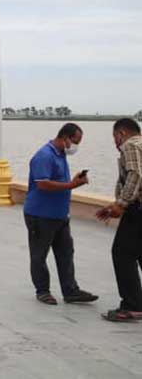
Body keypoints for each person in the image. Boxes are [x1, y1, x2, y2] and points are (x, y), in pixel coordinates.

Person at [22, 123, 97, 305]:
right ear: (65, 137)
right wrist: (72, 185)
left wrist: (73, 181)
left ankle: (71, 290)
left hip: (59, 215)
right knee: (39, 254)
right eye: (75, 142)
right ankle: (43, 291)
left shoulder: (60, 154)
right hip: (40, 215)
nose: (75, 146)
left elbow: (57, 181)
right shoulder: (44, 155)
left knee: (66, 252)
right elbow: (42, 184)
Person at [96, 118, 142, 322]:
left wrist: (121, 204)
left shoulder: (130, 145)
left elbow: (135, 175)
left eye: (115, 137)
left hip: (137, 210)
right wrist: (116, 204)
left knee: (122, 253)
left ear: (121, 133)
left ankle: (132, 306)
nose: (115, 143)